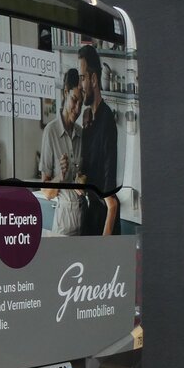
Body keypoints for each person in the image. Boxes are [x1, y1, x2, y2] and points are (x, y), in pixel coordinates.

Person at [78, 45, 119, 235]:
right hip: (90, 214)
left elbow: (109, 192)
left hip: (104, 222)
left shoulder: (107, 120)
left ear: (94, 79)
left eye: (82, 78)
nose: (80, 86)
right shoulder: (88, 118)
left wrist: (106, 241)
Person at [40, 68, 83, 235]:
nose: (77, 109)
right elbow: (46, 192)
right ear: (66, 93)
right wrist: (61, 177)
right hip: (64, 227)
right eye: (74, 100)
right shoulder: (50, 132)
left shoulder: (81, 133)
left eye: (81, 103)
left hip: (85, 223)